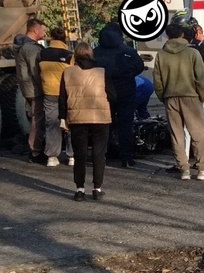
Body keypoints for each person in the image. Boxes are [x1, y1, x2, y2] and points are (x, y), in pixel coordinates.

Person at [153, 22, 204, 181]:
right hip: (191, 97)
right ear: (182, 34)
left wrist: (163, 97)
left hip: (170, 98)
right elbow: (200, 78)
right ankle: (203, 168)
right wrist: (202, 95)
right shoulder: (192, 53)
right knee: (198, 133)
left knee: (177, 135)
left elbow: (158, 81)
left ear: (167, 36)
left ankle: (183, 169)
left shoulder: (161, 55)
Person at [58, 40, 116, 201]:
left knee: (80, 154)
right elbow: (113, 95)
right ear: (91, 54)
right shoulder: (102, 72)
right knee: (99, 153)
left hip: (77, 118)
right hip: (100, 117)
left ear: (75, 55)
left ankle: (80, 190)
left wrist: (63, 117)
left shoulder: (67, 72)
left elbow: (62, 98)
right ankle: (97, 188)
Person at [94, 21, 145, 167]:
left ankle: (105, 154)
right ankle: (126, 157)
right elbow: (139, 67)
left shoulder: (96, 52)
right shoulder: (128, 51)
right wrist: (128, 75)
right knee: (126, 124)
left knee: (104, 124)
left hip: (103, 91)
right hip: (126, 91)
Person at [39, 26, 74, 167]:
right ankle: (72, 155)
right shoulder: (69, 55)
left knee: (51, 124)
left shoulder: (42, 53)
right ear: (65, 39)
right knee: (70, 123)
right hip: (66, 93)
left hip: (49, 92)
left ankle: (52, 157)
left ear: (52, 38)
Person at [15, 16, 47, 163]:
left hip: (28, 88)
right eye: (43, 30)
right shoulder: (31, 48)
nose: (45, 33)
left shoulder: (23, 46)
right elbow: (36, 71)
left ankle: (35, 148)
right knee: (37, 119)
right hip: (35, 89)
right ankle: (35, 151)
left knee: (35, 118)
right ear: (35, 30)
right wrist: (44, 86)